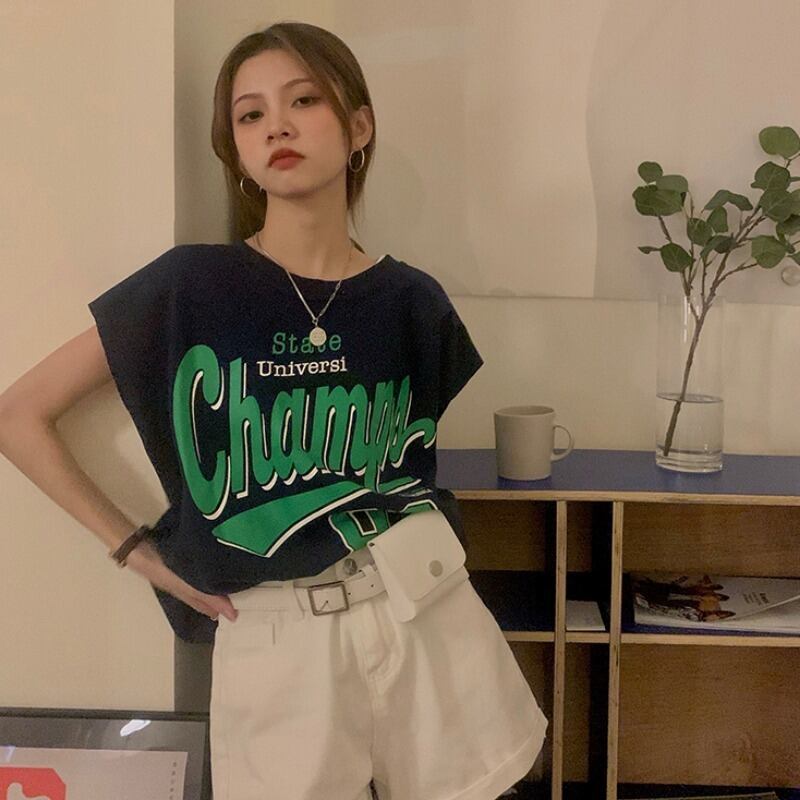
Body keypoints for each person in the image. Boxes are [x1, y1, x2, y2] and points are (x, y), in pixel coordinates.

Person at [0, 20, 548, 800]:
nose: (277, 126)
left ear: (359, 127)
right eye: (250, 114)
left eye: (304, 101)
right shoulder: (191, 286)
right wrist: (136, 551)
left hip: (423, 608)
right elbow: (18, 416)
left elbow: (406, 467)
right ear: (235, 150)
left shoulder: (412, 300)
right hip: (276, 634)